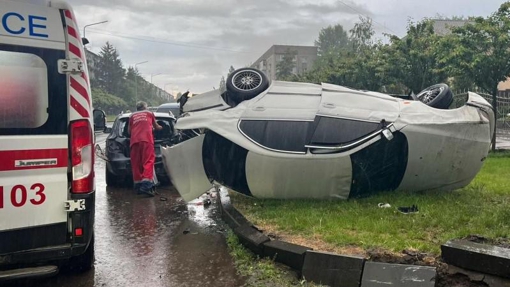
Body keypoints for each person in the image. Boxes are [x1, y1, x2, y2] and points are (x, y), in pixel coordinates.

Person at [128, 101, 162, 196]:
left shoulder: (131, 116)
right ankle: (146, 186)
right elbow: (156, 126)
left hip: (134, 141)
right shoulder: (149, 113)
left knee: (136, 163)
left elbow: (129, 131)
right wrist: (160, 128)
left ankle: (138, 186)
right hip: (146, 140)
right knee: (148, 161)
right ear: (144, 107)